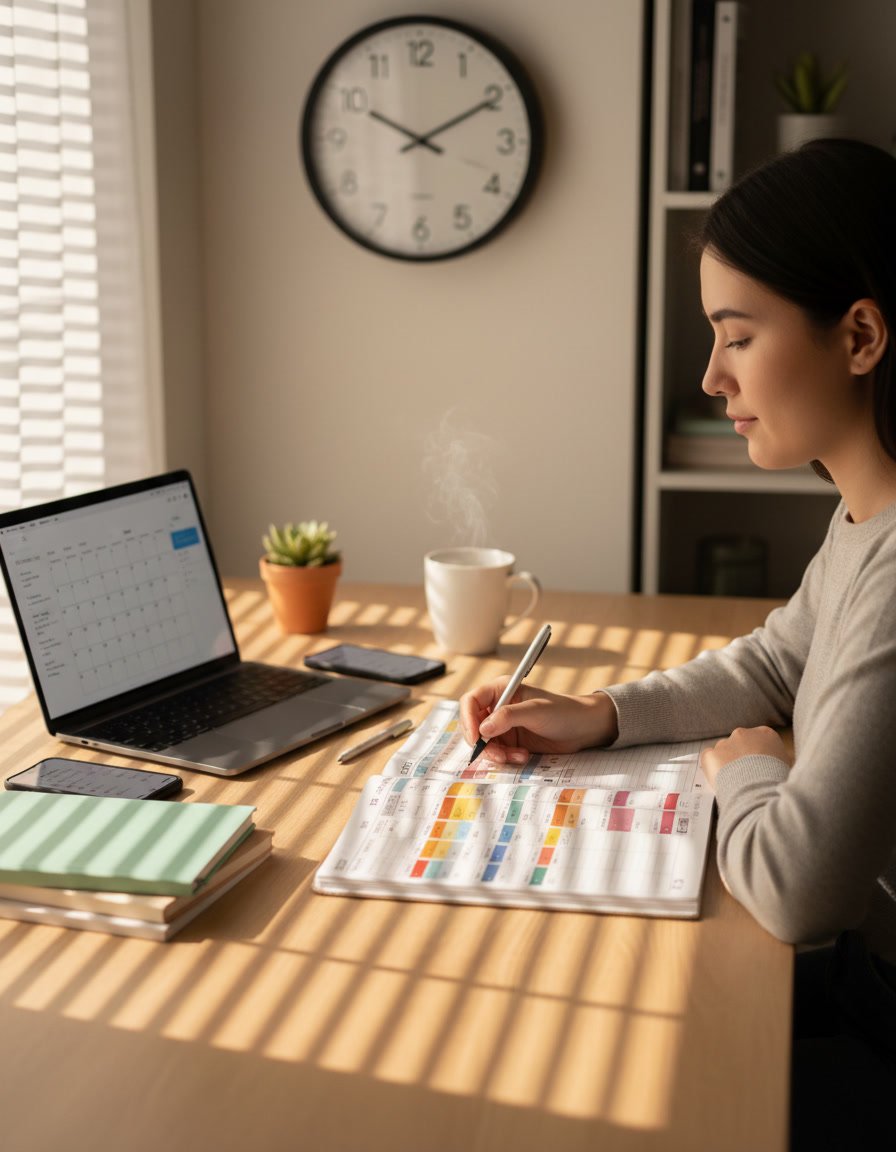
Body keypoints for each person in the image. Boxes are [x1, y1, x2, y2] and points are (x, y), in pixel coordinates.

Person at [459, 138, 896, 1150]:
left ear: (859, 337)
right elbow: (773, 661)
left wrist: (749, 773)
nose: (709, 377)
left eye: (736, 337)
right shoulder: (862, 519)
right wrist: (602, 714)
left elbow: (799, 887)